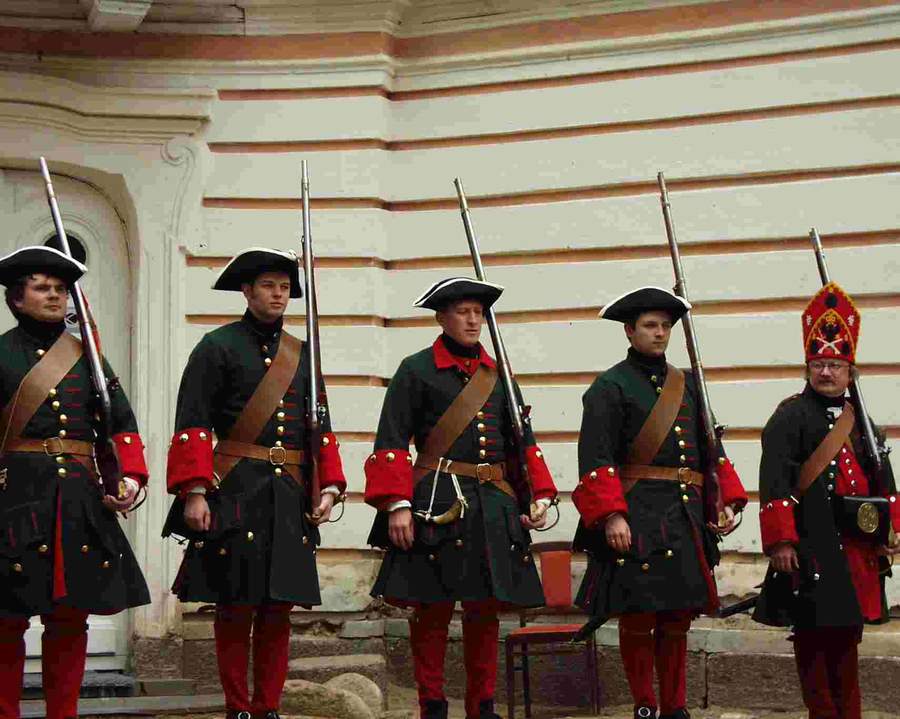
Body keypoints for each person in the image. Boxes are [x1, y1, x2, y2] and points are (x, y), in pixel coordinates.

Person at [163, 248, 347, 719]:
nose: (278, 294)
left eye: (284, 287)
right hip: (235, 491)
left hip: (288, 494)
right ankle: (238, 707)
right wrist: (195, 491)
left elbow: (320, 426)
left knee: (277, 609)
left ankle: (268, 707)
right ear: (246, 291)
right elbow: (193, 423)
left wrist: (328, 486)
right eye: (268, 285)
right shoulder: (217, 346)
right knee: (234, 606)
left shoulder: (303, 353)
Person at [364, 277, 558, 719]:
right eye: (463, 312)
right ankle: (432, 704)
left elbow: (521, 443)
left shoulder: (499, 373)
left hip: (493, 504)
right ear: (441, 317)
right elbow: (391, 441)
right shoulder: (416, 370)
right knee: (431, 611)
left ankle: (482, 706)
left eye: (478, 313)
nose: (473, 320)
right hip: (437, 503)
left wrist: (538, 495)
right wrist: (397, 504)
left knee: (484, 611)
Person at [572, 286, 748, 719]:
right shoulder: (609, 387)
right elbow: (596, 458)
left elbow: (709, 449)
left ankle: (675, 707)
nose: (660, 333)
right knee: (638, 616)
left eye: (666, 326)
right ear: (629, 331)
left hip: (684, 515)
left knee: (677, 618)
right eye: (650, 325)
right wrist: (612, 515)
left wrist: (723, 500)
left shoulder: (687, 384)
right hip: (637, 516)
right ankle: (645, 706)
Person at [0, 246, 150, 719]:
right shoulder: (1, 353)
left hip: (78, 500)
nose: (55, 296)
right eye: (42, 287)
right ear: (16, 298)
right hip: (15, 499)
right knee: (6, 621)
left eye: (61, 289)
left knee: (69, 619)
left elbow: (120, 424)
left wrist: (130, 478)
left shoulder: (89, 357)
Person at [752, 281, 900, 719]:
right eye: (818, 364)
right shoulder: (790, 416)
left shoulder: (862, 421)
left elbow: (884, 480)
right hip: (811, 546)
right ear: (807, 368)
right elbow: (774, 480)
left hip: (856, 551)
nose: (826, 373)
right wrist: (781, 541)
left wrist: (891, 529)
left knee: (848, 639)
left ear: (850, 371)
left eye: (835, 364)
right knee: (814, 642)